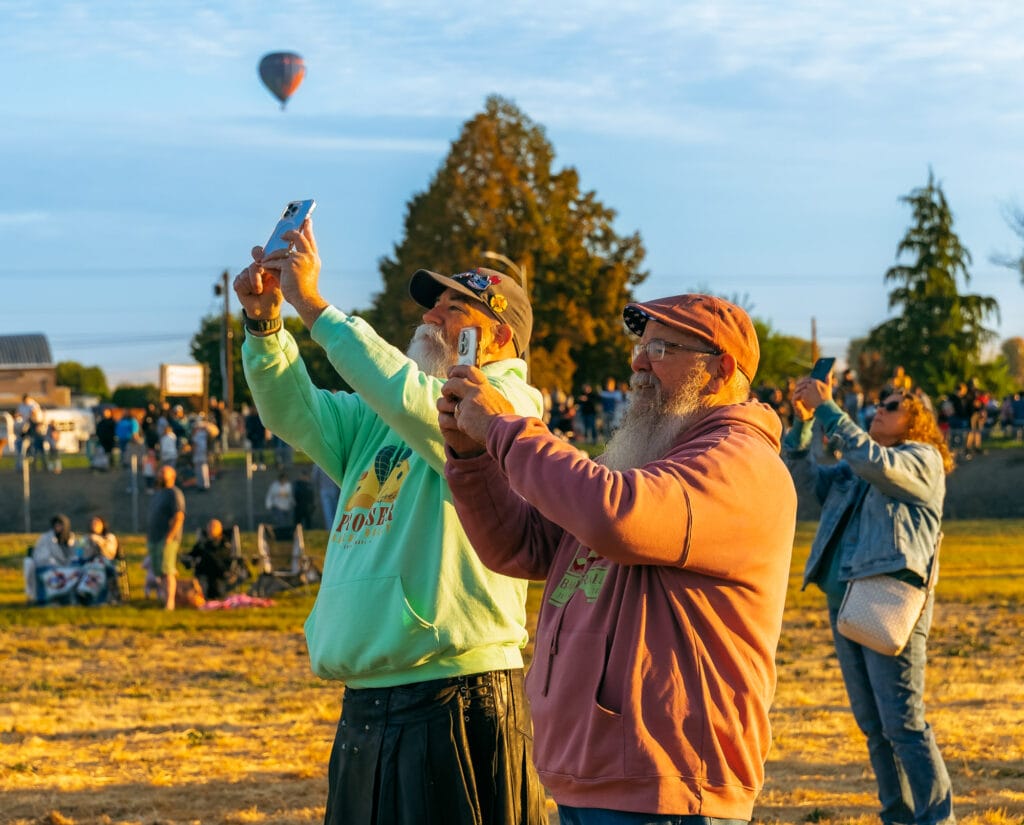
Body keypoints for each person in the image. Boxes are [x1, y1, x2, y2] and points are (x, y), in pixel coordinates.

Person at [233, 215, 547, 825]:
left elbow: (414, 398)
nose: (431, 318)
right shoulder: (393, 411)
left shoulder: (511, 408)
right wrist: (266, 327)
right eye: (432, 307)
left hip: (456, 691)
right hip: (368, 699)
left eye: (456, 310)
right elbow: (293, 411)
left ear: (501, 338)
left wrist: (315, 306)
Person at [439, 293, 797, 823]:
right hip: (592, 772)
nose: (637, 362)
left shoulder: (739, 461)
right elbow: (519, 544)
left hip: (668, 780)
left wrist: (504, 428)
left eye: (661, 348)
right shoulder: (647, 460)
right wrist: (470, 457)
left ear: (721, 369)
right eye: (639, 346)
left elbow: (615, 516)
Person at [783, 373, 956, 825]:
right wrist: (802, 426)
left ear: (917, 423)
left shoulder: (922, 459)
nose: (881, 408)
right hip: (844, 603)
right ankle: (896, 816)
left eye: (893, 406)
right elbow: (803, 485)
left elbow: (877, 463)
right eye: (881, 402)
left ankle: (938, 820)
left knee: (903, 723)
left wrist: (828, 409)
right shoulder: (857, 466)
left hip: (889, 602)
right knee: (873, 725)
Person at [146, 464, 186, 610]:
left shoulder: (174, 494)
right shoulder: (158, 494)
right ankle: (163, 598)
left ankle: (170, 603)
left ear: (172, 476)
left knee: (168, 570)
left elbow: (179, 516)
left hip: (167, 539)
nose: (160, 474)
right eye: (160, 472)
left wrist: (169, 536)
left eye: (164, 472)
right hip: (154, 538)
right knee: (160, 572)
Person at [25, 514, 77, 603]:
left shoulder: (72, 539)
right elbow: (41, 557)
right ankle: (44, 601)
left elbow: (74, 555)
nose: (58, 528)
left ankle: (68, 600)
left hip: (67, 568)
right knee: (52, 575)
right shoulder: (46, 538)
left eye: (61, 525)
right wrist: (56, 566)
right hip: (47, 566)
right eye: (56, 525)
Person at [183, 518, 237, 601]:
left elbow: (224, 556)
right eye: (209, 526)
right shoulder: (202, 544)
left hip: (219, 574)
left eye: (214, 526)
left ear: (220, 529)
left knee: (218, 593)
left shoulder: (225, 543)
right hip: (204, 573)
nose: (211, 529)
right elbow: (192, 554)